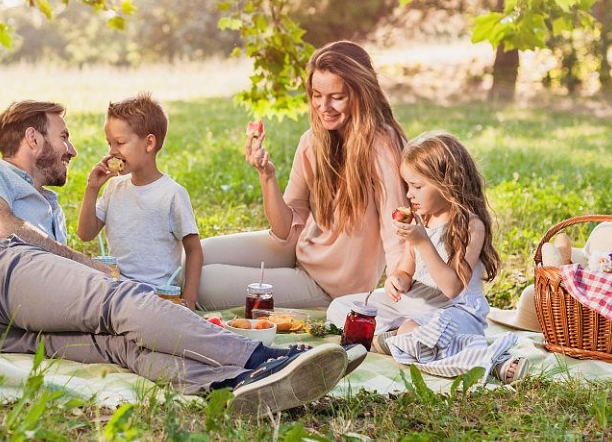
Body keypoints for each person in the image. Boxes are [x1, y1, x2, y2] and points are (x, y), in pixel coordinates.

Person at [0, 99, 357, 415]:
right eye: (62, 136)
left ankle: (233, 383)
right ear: (33, 139)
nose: (72, 150)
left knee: (121, 345)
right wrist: (94, 268)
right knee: (122, 298)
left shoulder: (47, 204)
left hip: (0, 328)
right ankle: (262, 357)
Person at [197, 41, 409, 310]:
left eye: (337, 96)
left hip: (330, 286)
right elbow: (285, 231)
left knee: (202, 284)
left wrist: (399, 286)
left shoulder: (382, 145)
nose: (324, 106)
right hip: (298, 251)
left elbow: (397, 230)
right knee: (195, 256)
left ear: (361, 94)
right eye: (317, 94)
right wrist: (267, 175)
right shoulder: (312, 141)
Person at [327, 131, 528, 383]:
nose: (409, 194)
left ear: (447, 184)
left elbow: (452, 287)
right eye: (407, 186)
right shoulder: (423, 219)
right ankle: (396, 339)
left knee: (420, 331)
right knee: (342, 308)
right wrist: (397, 280)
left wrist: (422, 242)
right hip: (417, 306)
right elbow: (405, 271)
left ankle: (493, 360)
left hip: (456, 312)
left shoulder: (470, 226)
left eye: (417, 186)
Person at [77, 94, 203, 310]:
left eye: (120, 142)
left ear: (149, 143)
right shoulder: (114, 188)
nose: (112, 151)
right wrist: (92, 189)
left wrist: (189, 301)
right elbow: (85, 234)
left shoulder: (172, 194)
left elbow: (194, 250)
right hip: (116, 291)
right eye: (110, 144)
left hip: (157, 297)